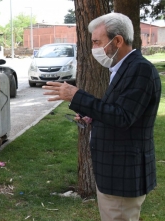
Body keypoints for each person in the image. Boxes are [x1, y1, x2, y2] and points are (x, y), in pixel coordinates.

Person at [43, 13, 161, 221]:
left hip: (123, 176)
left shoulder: (140, 69)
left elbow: (123, 117)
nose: (94, 48)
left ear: (117, 41)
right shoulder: (122, 68)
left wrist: (76, 95)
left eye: (97, 42)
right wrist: (92, 116)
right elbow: (116, 110)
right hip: (114, 173)